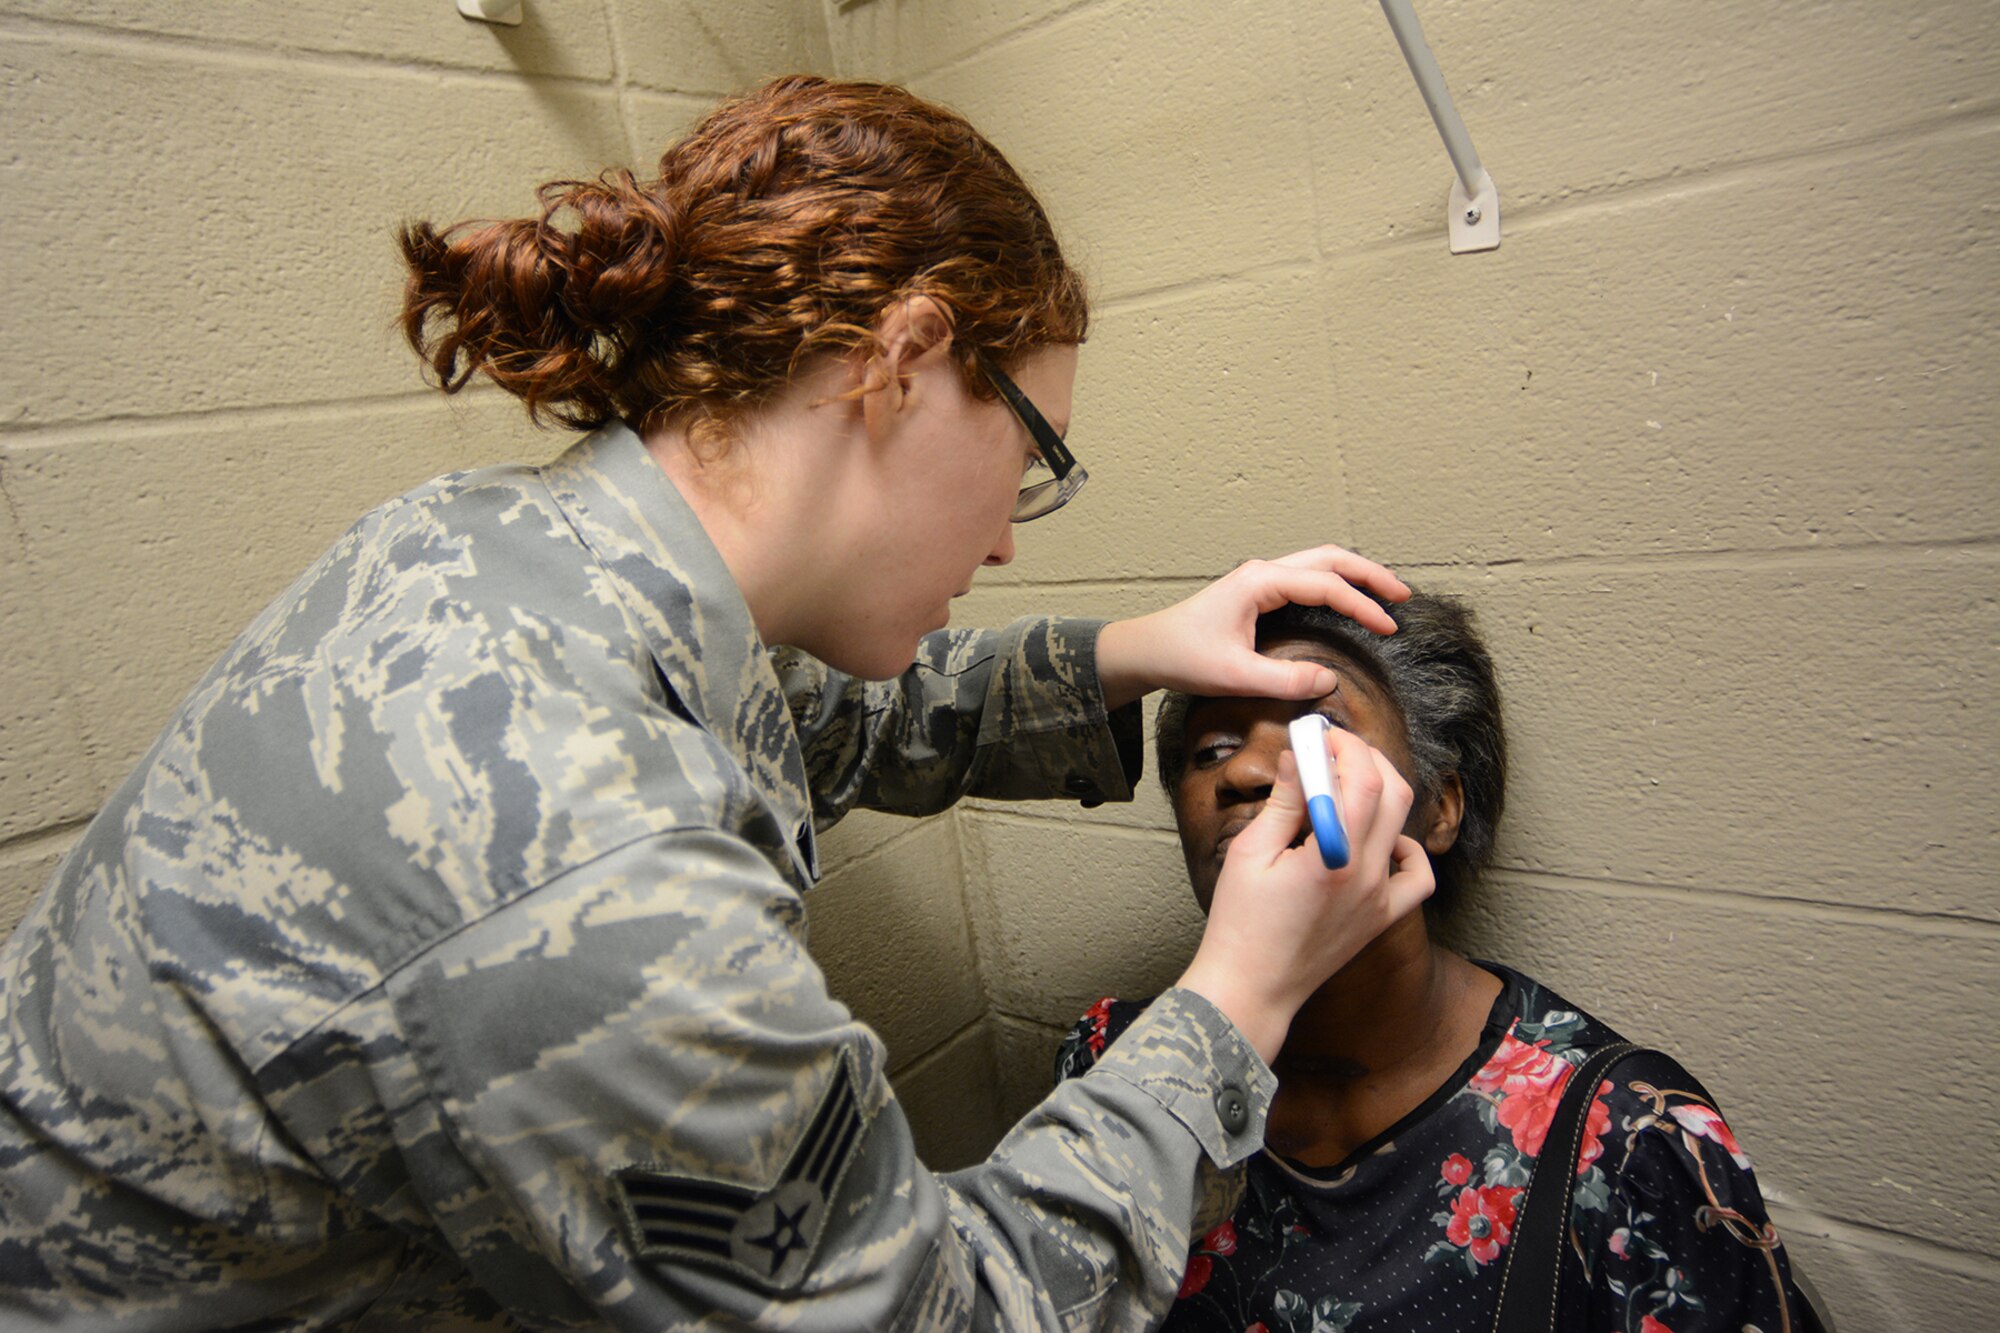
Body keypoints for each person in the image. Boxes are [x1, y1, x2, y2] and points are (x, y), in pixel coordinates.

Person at [0, 76, 1436, 1330]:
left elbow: (816, 720)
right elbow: (937, 1314)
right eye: (1035, 453)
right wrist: (1241, 994)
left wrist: (1141, 648)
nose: (1011, 533)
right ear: (908, 360)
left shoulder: (506, 553)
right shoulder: (586, 865)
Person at [1055, 593, 1811, 1332]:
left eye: (1316, 733)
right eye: (1209, 750)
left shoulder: (1624, 1144)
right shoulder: (1113, 1067)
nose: (1244, 772)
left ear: (1440, 807)